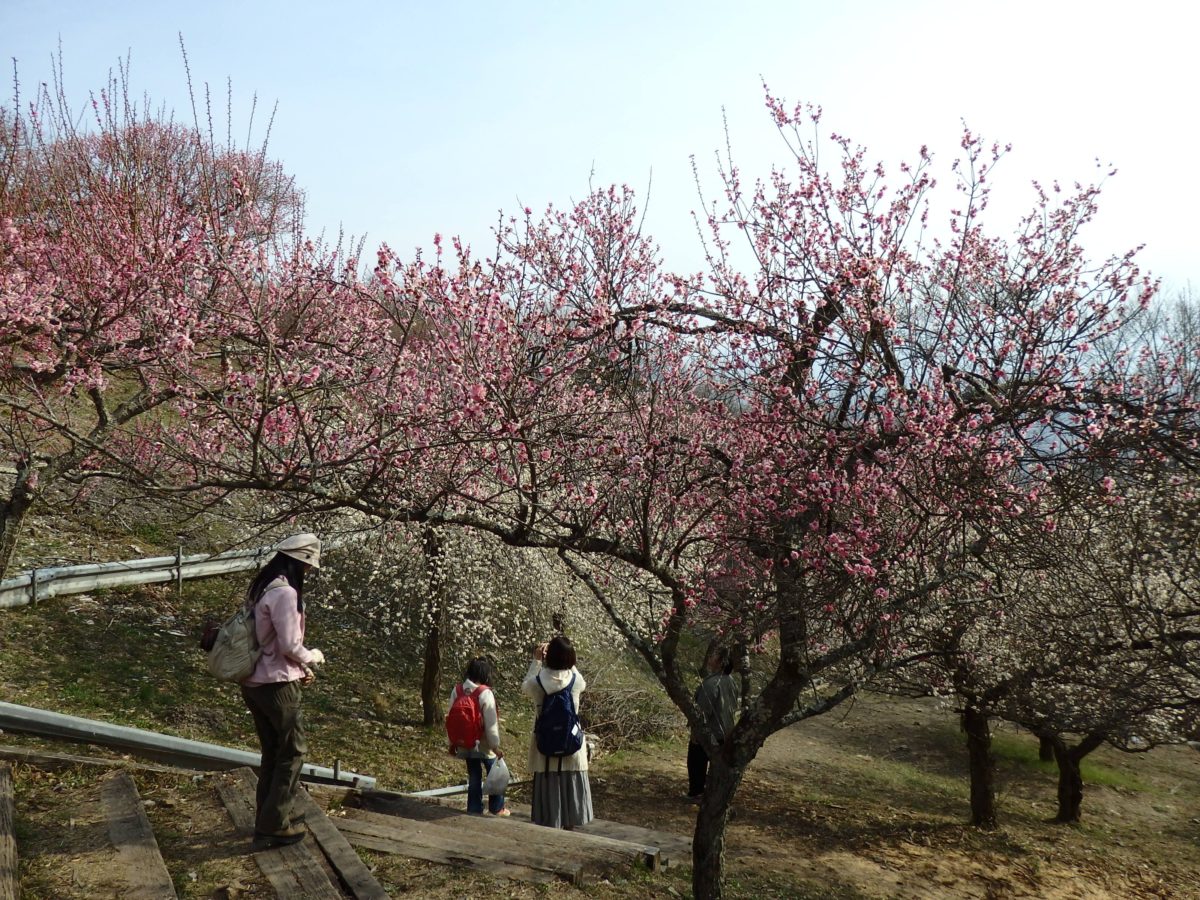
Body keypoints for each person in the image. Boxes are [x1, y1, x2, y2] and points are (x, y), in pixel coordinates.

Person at [240, 533, 326, 850]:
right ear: (299, 563)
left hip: (254, 682)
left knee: (273, 752)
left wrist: (301, 669)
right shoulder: (286, 594)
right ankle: (274, 825)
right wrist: (311, 657)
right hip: (276, 686)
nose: (309, 571)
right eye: (308, 566)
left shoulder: (262, 587)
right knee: (292, 751)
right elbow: (290, 645)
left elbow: (271, 641)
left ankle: (267, 818)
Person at [521, 635, 593, 829]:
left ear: (548, 656)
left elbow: (525, 686)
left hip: (546, 751)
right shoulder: (576, 681)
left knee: (550, 812)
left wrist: (537, 660)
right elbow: (580, 679)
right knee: (572, 807)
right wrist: (567, 658)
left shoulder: (538, 682)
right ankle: (570, 828)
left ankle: (552, 827)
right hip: (572, 747)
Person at [449, 657, 510, 816]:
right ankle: (497, 807)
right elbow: (491, 724)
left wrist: (452, 742)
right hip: (484, 744)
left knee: (474, 776)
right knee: (494, 773)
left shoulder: (457, 690)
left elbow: (450, 719)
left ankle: (474, 808)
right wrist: (495, 746)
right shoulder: (485, 693)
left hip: (466, 742)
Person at [687, 644, 738, 802]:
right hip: (726, 732)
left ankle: (697, 794)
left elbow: (702, 713)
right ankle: (711, 795)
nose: (710, 657)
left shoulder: (711, 684)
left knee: (696, 763)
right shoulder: (731, 681)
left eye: (714, 655)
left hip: (710, 733)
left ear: (722, 662)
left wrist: (695, 733)